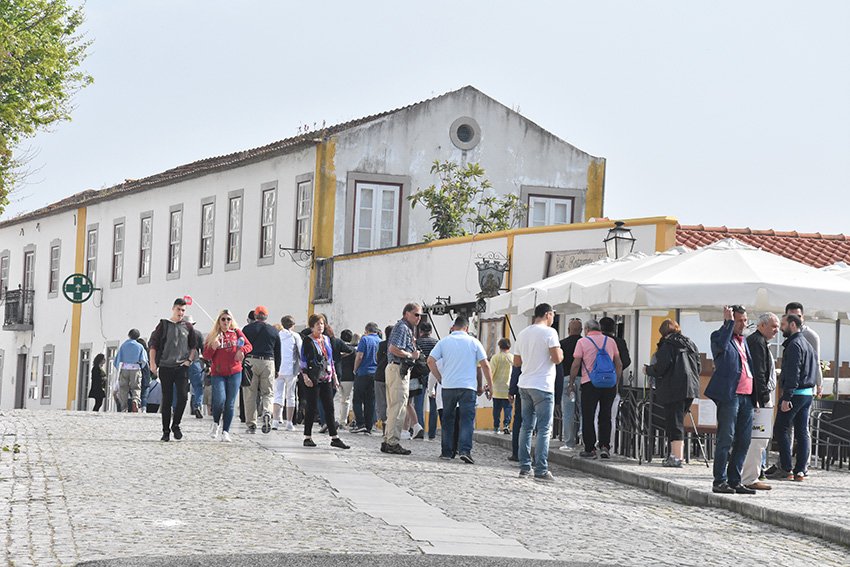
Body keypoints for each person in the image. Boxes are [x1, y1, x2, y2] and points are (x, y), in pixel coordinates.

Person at [704, 305, 757, 494]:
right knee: (726, 438)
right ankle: (719, 480)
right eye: (739, 321)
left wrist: (755, 398)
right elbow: (721, 349)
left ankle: (735, 480)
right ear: (730, 320)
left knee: (744, 441)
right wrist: (728, 324)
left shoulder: (744, 341)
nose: (743, 324)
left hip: (747, 397)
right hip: (730, 396)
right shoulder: (719, 336)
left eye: (745, 320)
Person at [428, 315, 493, 464]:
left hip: (448, 386)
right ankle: (464, 450)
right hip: (467, 387)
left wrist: (439, 378)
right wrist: (490, 384)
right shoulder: (474, 342)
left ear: (453, 327)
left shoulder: (444, 342)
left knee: (448, 419)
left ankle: (446, 451)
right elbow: (485, 365)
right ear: (467, 328)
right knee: (466, 420)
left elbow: (430, 361)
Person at [515, 303, 564, 481]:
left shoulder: (523, 333)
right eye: (553, 316)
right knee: (544, 429)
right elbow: (557, 359)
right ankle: (541, 469)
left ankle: (524, 467)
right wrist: (561, 354)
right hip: (542, 385)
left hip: (525, 384)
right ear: (548, 314)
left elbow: (517, 362)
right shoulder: (550, 333)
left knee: (526, 427)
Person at [643, 319, 701, 467]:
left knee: (674, 423)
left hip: (673, 388)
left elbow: (661, 367)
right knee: (678, 421)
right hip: (691, 388)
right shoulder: (690, 344)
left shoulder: (667, 345)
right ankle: (674, 456)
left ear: (663, 332)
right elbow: (698, 366)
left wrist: (647, 370)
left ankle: (676, 458)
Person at [768, 313, 818, 482]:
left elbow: (793, 372)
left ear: (792, 325)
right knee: (802, 432)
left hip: (795, 394)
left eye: (782, 324)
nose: (780, 328)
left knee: (780, 428)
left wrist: (787, 396)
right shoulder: (807, 344)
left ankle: (786, 468)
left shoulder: (794, 345)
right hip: (807, 394)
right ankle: (800, 470)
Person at [569, 318, 622, 460]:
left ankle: (590, 448)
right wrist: (616, 382)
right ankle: (605, 447)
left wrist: (572, 382)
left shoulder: (582, 342)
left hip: (589, 383)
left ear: (587, 329)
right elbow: (619, 364)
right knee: (605, 416)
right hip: (609, 384)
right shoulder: (611, 342)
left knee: (588, 415)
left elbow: (576, 364)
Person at [149, 297, 199, 442]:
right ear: (173, 308)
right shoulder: (164, 325)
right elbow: (154, 346)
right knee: (167, 398)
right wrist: (153, 363)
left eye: (183, 310)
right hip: (165, 365)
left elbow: (193, 346)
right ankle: (165, 431)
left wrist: (189, 360)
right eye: (178, 309)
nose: (181, 313)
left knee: (183, 396)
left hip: (181, 366)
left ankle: (176, 424)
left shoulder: (188, 327)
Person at [300, 314, 349, 449]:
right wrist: (305, 377)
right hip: (313, 377)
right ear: (312, 327)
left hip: (326, 377)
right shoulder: (308, 341)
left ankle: (335, 437)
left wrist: (334, 377)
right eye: (318, 324)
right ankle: (307, 436)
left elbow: (330, 359)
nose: (321, 326)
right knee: (312, 407)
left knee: (329, 407)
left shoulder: (326, 339)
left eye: (322, 324)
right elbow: (303, 359)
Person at [743, 312, 780, 490]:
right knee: (758, 439)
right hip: (759, 398)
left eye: (778, 326)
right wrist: (763, 398)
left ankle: (750, 476)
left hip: (757, 397)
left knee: (757, 439)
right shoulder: (757, 342)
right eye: (773, 326)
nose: (777, 330)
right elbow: (758, 373)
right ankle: (750, 478)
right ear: (762, 325)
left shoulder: (759, 341)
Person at [203, 309, 252, 442]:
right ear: (219, 321)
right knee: (219, 399)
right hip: (218, 372)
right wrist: (213, 347)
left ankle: (226, 431)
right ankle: (216, 423)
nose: (226, 322)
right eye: (223, 319)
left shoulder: (236, 332)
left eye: (228, 319)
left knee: (230, 403)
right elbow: (206, 355)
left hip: (235, 371)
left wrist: (242, 350)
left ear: (232, 321)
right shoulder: (213, 335)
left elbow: (248, 345)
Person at [383, 303, 423, 455]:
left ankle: (388, 440)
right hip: (398, 368)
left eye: (420, 315)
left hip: (395, 368)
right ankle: (392, 442)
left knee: (394, 407)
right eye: (416, 314)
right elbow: (393, 348)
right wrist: (410, 355)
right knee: (399, 408)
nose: (418, 318)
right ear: (407, 313)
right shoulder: (403, 327)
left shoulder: (403, 327)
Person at [241, 305, 282, 434]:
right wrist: (277, 369)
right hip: (268, 362)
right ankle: (267, 413)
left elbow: (241, 347)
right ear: (266, 316)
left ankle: (251, 424)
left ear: (255, 316)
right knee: (268, 393)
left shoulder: (247, 329)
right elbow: (278, 351)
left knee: (250, 394)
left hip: (251, 361)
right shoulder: (273, 330)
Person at [785, 302, 823, 397]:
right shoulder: (787, 333)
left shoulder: (810, 335)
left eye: (798, 316)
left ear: (802, 317)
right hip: (791, 386)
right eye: (791, 316)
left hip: (805, 387)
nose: (795, 319)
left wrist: (819, 384)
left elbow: (816, 361)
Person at [352, 322, 381, 434]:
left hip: (363, 372)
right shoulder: (380, 341)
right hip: (375, 373)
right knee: (371, 400)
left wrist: (355, 369)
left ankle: (360, 423)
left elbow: (359, 356)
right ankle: (369, 425)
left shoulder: (364, 340)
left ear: (367, 331)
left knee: (358, 399)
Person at [275, 315, 302, 431]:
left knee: (278, 395)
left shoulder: (277, 335)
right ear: (293, 325)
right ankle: (289, 422)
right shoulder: (296, 336)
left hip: (278, 369)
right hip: (291, 369)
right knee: (291, 395)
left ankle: (275, 421)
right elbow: (301, 352)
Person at [559, 318, 583, 450]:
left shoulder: (562, 344)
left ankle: (569, 442)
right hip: (583, 379)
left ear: (569, 330)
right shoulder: (584, 343)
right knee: (584, 409)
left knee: (567, 412)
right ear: (581, 331)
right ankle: (583, 433)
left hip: (567, 380)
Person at [114, 329, 148, 412]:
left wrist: (118, 367)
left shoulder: (124, 345)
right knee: (136, 387)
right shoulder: (139, 346)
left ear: (129, 335)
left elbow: (117, 359)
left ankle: (124, 407)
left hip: (125, 368)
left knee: (123, 388)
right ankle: (135, 400)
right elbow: (144, 359)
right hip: (135, 368)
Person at [415, 322, 439, 439]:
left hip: (419, 375)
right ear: (431, 332)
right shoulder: (436, 343)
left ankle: (420, 429)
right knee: (434, 405)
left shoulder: (417, 342)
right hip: (433, 374)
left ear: (420, 331)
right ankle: (432, 433)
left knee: (418, 404)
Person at [333, 329, 358, 429]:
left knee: (336, 399)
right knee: (346, 399)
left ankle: (335, 419)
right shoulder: (353, 350)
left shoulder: (337, 348)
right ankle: (343, 421)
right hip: (349, 377)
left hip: (337, 376)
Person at [184, 315, 206, 419]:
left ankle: (174, 408)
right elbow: (203, 350)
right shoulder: (198, 334)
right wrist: (208, 364)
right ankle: (197, 405)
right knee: (198, 387)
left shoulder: (179, 334)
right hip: (195, 362)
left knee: (177, 386)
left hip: (181, 363)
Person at [490, 338, 513, 434]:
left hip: (497, 388)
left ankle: (496, 427)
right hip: (508, 388)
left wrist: (487, 384)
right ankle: (506, 425)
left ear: (499, 346)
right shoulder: (512, 358)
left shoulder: (495, 358)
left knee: (496, 409)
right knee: (508, 408)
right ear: (509, 346)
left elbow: (491, 372)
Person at [374, 326, 393, 435]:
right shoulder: (396, 346)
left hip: (380, 375)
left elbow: (377, 358)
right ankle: (390, 422)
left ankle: (385, 421)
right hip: (391, 376)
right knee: (391, 401)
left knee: (381, 402)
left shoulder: (380, 345)